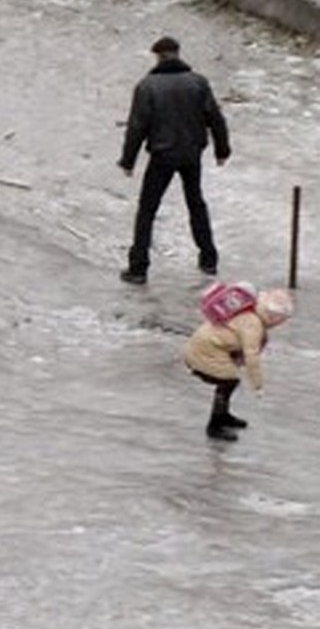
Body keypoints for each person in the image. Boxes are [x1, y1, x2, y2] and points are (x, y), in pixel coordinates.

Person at [118, 36, 230, 285]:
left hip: (162, 155)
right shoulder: (198, 83)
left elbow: (137, 126)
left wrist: (128, 160)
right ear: (178, 53)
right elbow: (215, 118)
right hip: (191, 154)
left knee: (147, 209)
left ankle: (138, 267)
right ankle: (209, 259)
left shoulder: (147, 86)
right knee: (196, 203)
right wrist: (222, 150)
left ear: (157, 56)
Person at [184, 287, 293, 440]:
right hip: (204, 353)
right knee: (228, 381)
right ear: (273, 316)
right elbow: (251, 356)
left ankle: (223, 415)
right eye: (280, 320)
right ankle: (215, 425)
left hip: (203, 349)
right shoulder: (253, 324)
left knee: (228, 381)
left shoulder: (250, 312)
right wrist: (257, 384)